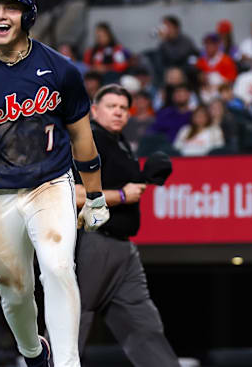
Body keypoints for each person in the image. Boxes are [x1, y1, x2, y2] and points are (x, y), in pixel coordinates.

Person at [0, 0, 109, 367]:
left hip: (50, 184)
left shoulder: (60, 69)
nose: (1, 15)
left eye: (10, 7)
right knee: (14, 292)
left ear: (26, 14)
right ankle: (34, 352)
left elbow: (82, 137)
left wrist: (95, 195)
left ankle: (67, 362)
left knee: (58, 265)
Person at [75, 84, 180, 366]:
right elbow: (72, 194)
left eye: (123, 108)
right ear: (95, 110)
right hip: (93, 241)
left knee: (143, 323)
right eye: (111, 106)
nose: (118, 112)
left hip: (122, 248)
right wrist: (121, 196)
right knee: (73, 320)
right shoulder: (89, 141)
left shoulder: (119, 143)